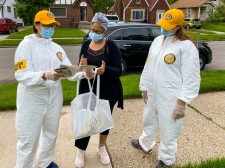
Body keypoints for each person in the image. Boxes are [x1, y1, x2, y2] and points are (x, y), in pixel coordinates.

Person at [131, 9, 201, 168]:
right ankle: (145, 143)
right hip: (153, 93)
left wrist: (182, 103)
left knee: (169, 129)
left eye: (169, 26)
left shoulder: (186, 47)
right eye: (163, 25)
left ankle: (166, 158)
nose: (164, 29)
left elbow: (192, 78)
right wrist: (144, 87)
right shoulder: (157, 41)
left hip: (171, 97)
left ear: (178, 27)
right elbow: (148, 65)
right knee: (148, 120)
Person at [14, 10, 82, 168]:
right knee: (28, 139)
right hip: (32, 99)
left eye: (52, 25)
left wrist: (84, 73)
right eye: (46, 25)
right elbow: (21, 75)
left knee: (51, 133)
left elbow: (67, 69)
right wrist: (44, 75)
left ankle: (45, 161)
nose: (50, 28)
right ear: (36, 25)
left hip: (54, 97)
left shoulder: (56, 48)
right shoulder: (25, 46)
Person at [74, 12, 123, 168]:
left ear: (104, 31)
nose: (94, 33)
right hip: (87, 88)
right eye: (92, 29)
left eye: (98, 31)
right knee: (85, 119)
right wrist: (84, 67)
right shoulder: (85, 45)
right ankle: (80, 150)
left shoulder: (111, 46)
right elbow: (82, 68)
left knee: (103, 121)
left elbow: (119, 70)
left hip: (107, 90)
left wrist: (105, 70)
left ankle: (101, 148)